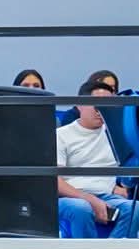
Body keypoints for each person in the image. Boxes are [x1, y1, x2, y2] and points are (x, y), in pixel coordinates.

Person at [55, 80, 139, 239]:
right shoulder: (61, 135)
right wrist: (89, 199)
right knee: (82, 208)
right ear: (79, 105)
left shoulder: (116, 134)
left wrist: (122, 187)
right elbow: (55, 181)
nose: (102, 110)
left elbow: (129, 167)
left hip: (107, 196)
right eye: (97, 104)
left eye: (108, 106)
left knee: (136, 209)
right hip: (70, 197)